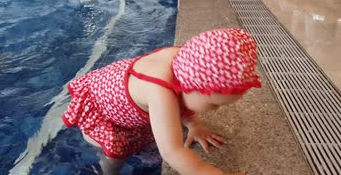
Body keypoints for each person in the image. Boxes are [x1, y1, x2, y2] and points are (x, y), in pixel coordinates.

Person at [62, 28, 261, 175]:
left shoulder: (188, 60)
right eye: (214, 104)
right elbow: (172, 151)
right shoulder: (160, 92)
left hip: (113, 87)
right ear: (192, 86)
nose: (216, 110)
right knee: (116, 155)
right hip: (102, 111)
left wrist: (194, 125)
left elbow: (185, 99)